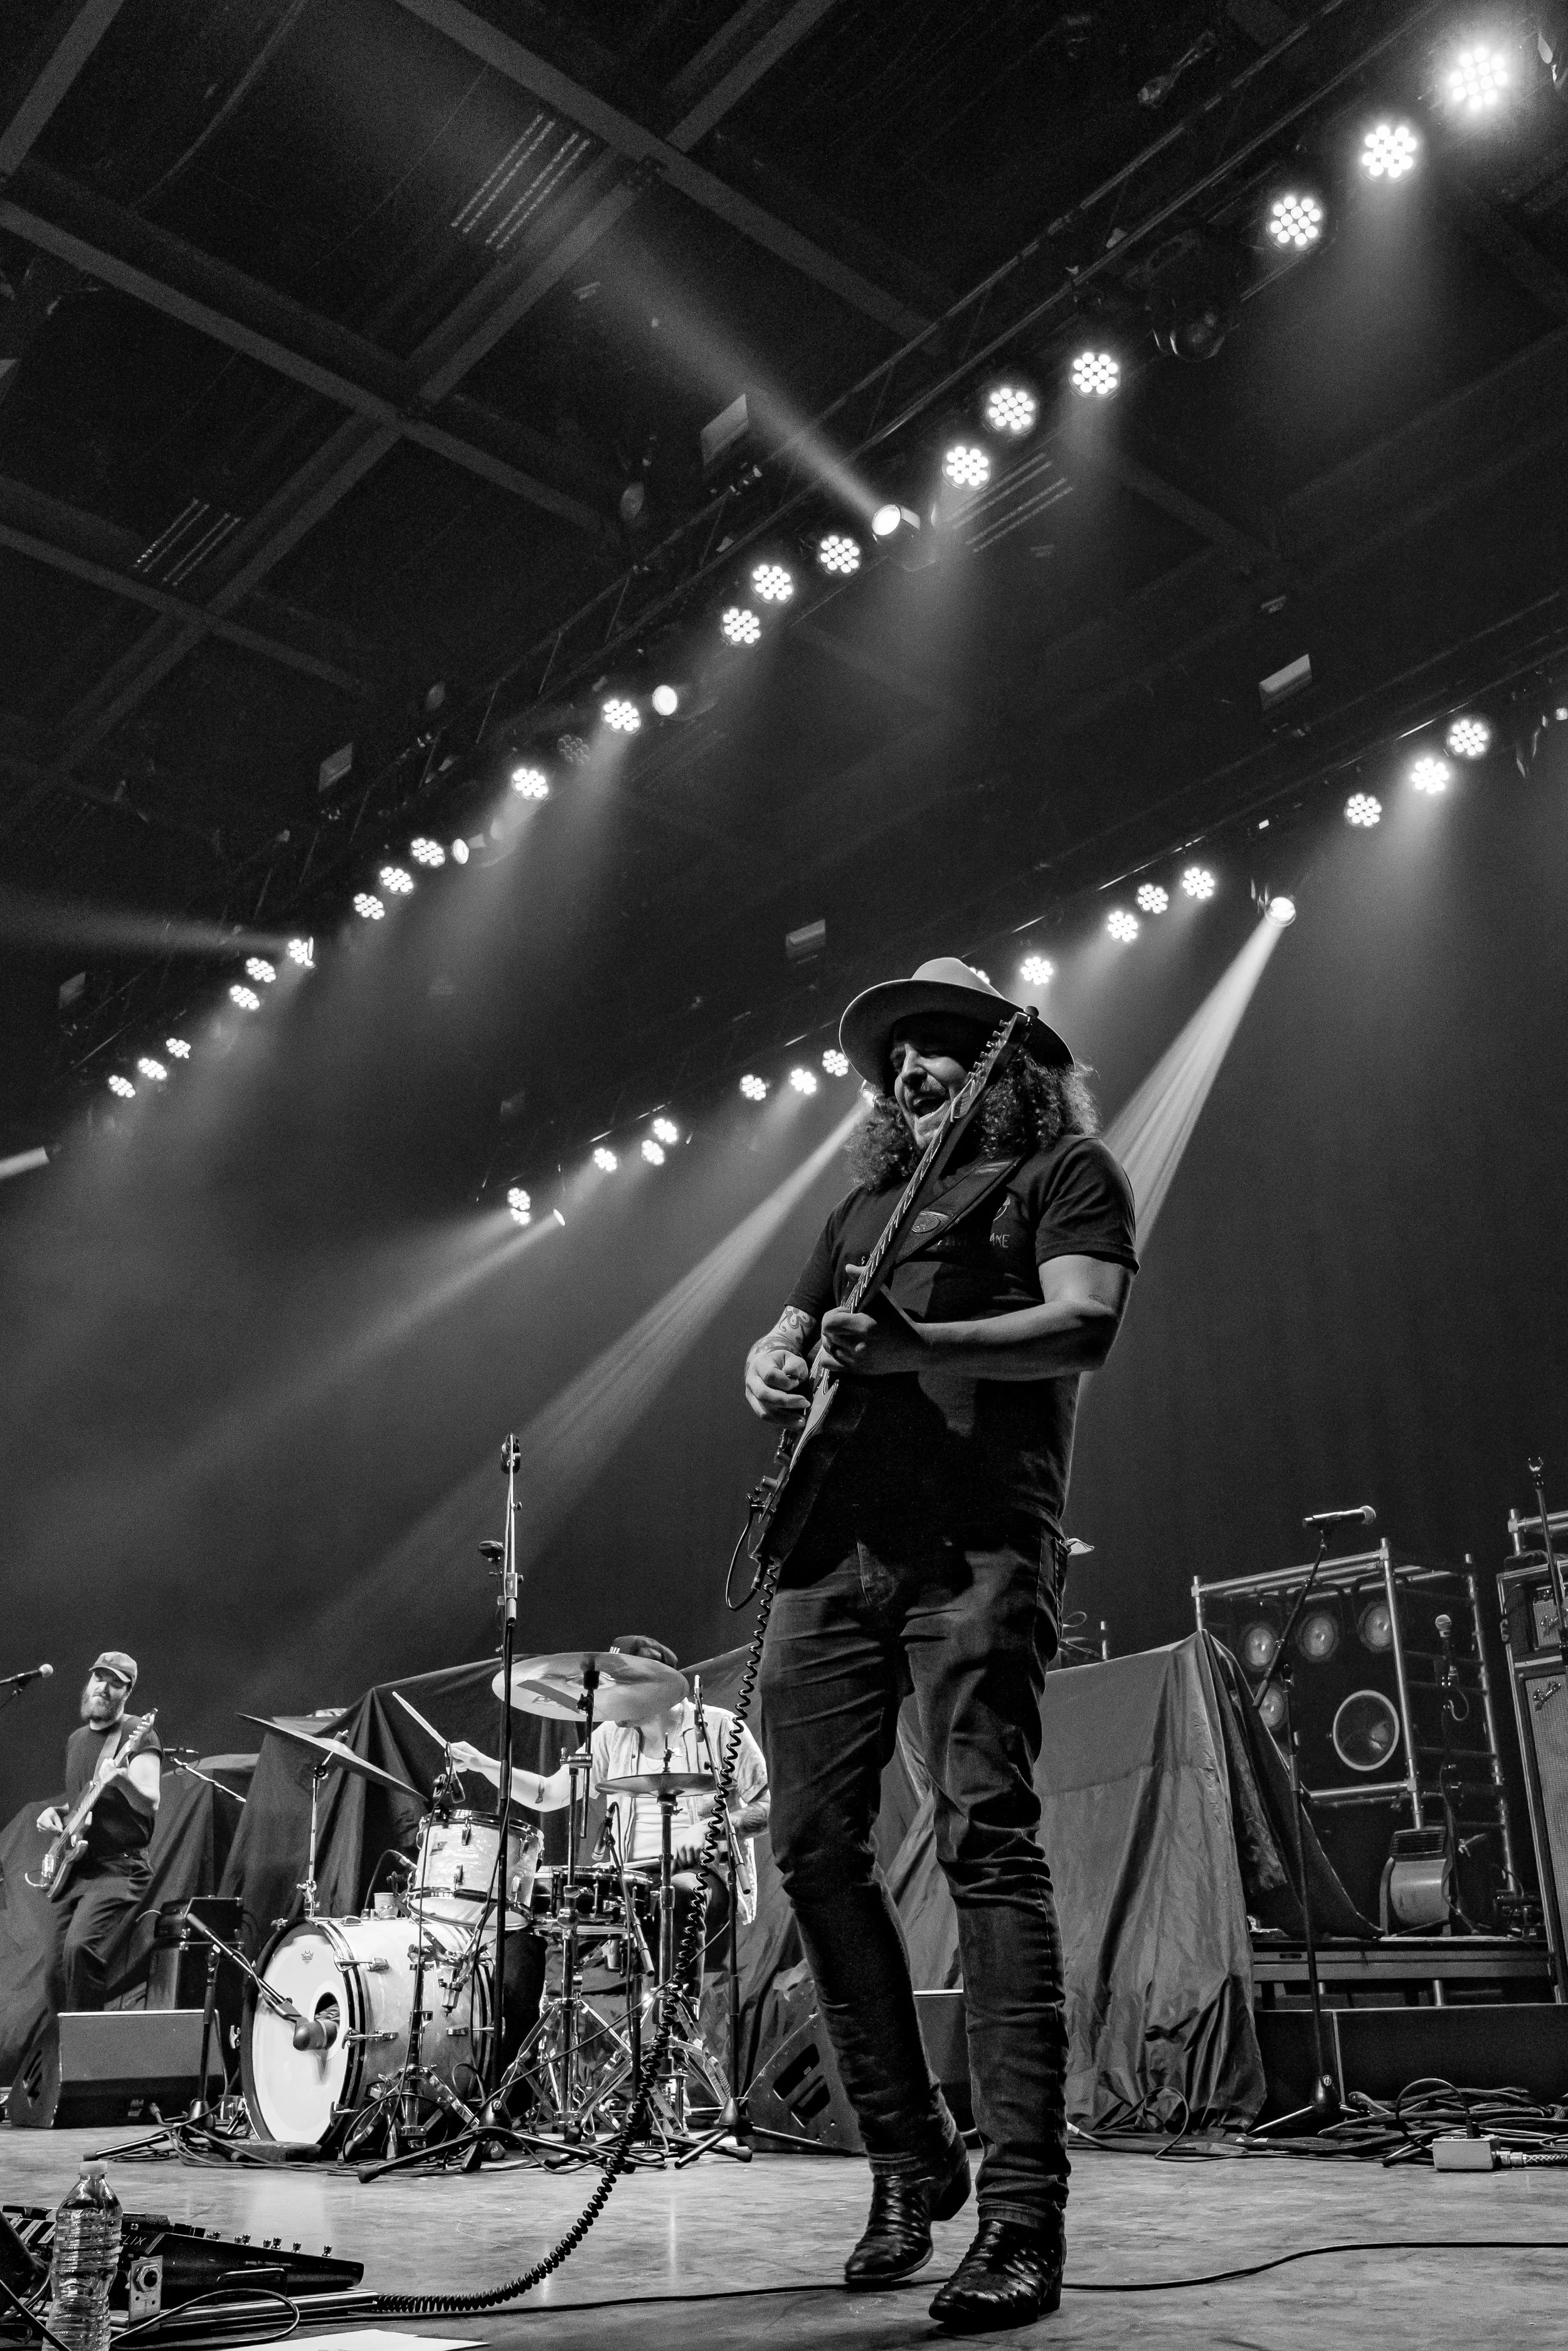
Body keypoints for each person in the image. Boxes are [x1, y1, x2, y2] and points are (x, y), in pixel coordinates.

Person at [744, 957, 1136, 2333]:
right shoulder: (855, 1205)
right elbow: (786, 1336)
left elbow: (1084, 1320)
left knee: (984, 1837)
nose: (909, 1071)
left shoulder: (1064, 1171)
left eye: (943, 1049)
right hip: (826, 1553)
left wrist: (918, 1345)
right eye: (896, 1055)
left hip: (972, 1545)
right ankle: (909, 2156)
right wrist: (771, 1359)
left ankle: (1024, 2211)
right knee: (808, 1846)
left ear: (1007, 1064)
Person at [451, 1634, 769, 1999]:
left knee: (675, 1893)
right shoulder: (610, 1737)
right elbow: (548, 1794)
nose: (606, 1701)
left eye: (616, 1689)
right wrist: (484, 1765)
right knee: (523, 1899)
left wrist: (710, 1829)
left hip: (704, 1877)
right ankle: (516, 2036)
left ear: (656, 1687)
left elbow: (769, 1806)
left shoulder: (720, 1728)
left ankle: (675, 2034)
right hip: (628, 1877)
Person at [35, 1652, 161, 2012]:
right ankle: (64, 2061)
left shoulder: (139, 1734)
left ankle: (88, 2058)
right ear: (88, 1682)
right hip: (77, 1868)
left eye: (116, 1683)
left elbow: (150, 1800)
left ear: (127, 1693)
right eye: (99, 1678)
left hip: (119, 1869)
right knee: (54, 1970)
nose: (103, 1688)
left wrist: (121, 1777)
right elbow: (82, 1802)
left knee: (79, 1950)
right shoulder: (77, 1740)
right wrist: (56, 1813)